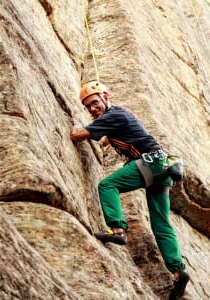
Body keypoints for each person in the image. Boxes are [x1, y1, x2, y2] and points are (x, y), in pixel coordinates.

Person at [70, 81, 189, 299]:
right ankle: (178, 270)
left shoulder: (113, 115)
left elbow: (78, 136)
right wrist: (104, 137)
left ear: (106, 97)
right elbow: (108, 137)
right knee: (161, 224)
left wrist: (77, 125)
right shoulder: (117, 115)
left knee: (107, 185)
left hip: (150, 163)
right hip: (162, 169)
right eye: (88, 107)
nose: (92, 109)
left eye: (95, 103)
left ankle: (117, 230)